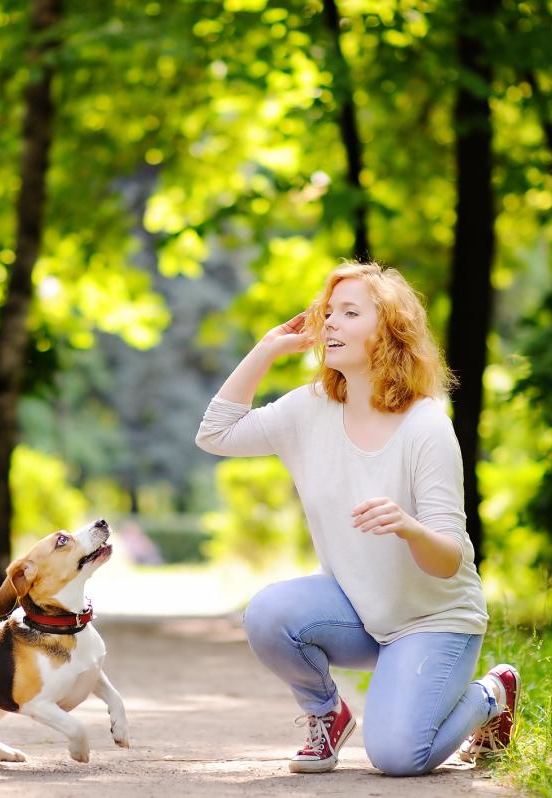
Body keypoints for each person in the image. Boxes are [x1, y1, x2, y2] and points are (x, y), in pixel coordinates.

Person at [195, 261, 520, 776]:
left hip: (432, 618)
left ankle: (491, 694)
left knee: (398, 758)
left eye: (350, 312)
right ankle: (327, 714)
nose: (330, 322)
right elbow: (215, 435)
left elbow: (449, 560)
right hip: (360, 609)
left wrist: (409, 527)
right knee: (268, 613)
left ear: (389, 332)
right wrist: (267, 349)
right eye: (329, 312)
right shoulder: (311, 408)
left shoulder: (425, 427)